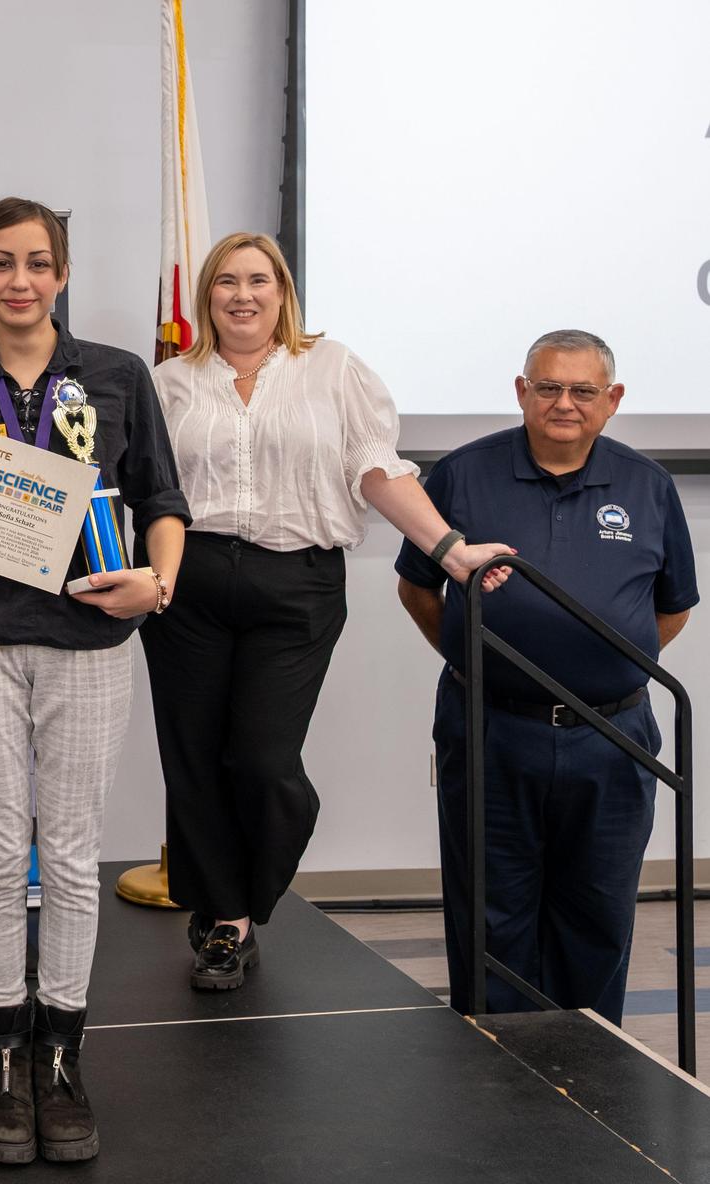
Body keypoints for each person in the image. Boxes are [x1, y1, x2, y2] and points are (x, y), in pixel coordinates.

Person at [0, 197, 189, 1165]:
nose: (16, 281)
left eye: (34, 263)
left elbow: (161, 500)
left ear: (60, 272)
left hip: (90, 643)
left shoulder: (114, 375)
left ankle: (60, 1057)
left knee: (66, 857)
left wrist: (157, 584)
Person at [145, 231, 511, 992]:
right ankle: (225, 921)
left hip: (297, 583)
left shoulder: (333, 367)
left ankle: (244, 894)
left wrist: (451, 551)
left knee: (262, 758)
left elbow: (377, 471)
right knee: (194, 757)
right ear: (206, 296)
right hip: (191, 582)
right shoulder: (170, 380)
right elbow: (142, 486)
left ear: (283, 291)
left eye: (259, 280)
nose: (242, 295)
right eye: (225, 282)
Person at [396, 329, 695, 1024]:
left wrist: (603, 667)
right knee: (491, 909)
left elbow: (670, 610)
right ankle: (493, 1061)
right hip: (493, 728)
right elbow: (418, 590)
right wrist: (478, 661)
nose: (565, 403)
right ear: (521, 392)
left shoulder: (647, 485)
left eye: (583, 390)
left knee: (599, 906)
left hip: (612, 735)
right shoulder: (464, 474)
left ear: (612, 400)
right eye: (549, 387)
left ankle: (593, 1061)